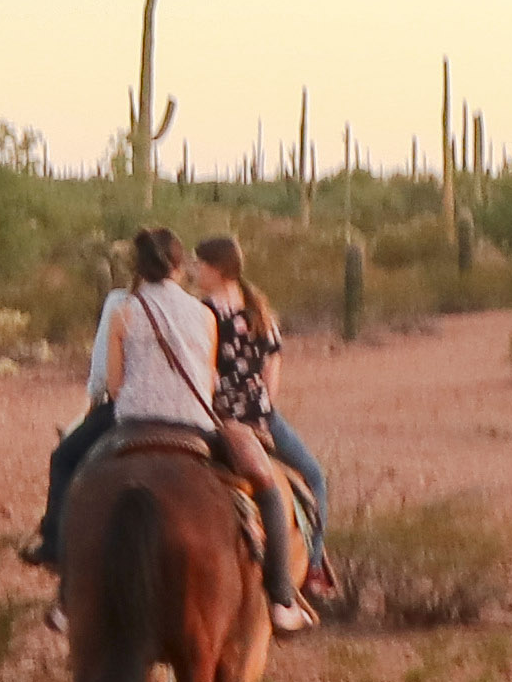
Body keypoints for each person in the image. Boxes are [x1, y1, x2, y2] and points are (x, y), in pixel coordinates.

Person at [32, 224, 299, 593]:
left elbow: (114, 384)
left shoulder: (123, 310)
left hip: (134, 417)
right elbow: (207, 379)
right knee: (264, 481)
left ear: (140, 267)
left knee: (65, 459)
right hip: (195, 421)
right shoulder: (204, 315)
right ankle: (282, 591)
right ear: (177, 266)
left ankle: (56, 552)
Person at [190, 232, 342, 630]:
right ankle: (310, 570)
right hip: (262, 416)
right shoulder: (259, 308)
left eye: (199, 265)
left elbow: (203, 370)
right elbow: (273, 365)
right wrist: (262, 413)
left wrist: (226, 412)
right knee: (313, 478)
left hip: (219, 418)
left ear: (216, 269)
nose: (194, 271)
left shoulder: (203, 314)